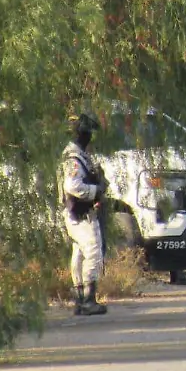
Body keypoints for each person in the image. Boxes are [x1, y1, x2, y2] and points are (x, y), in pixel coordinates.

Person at [59, 112, 109, 316]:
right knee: (93, 252)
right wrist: (96, 191)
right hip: (78, 214)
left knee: (79, 253)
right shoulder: (73, 158)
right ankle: (88, 299)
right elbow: (73, 185)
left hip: (78, 213)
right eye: (88, 133)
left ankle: (80, 299)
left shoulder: (80, 155)